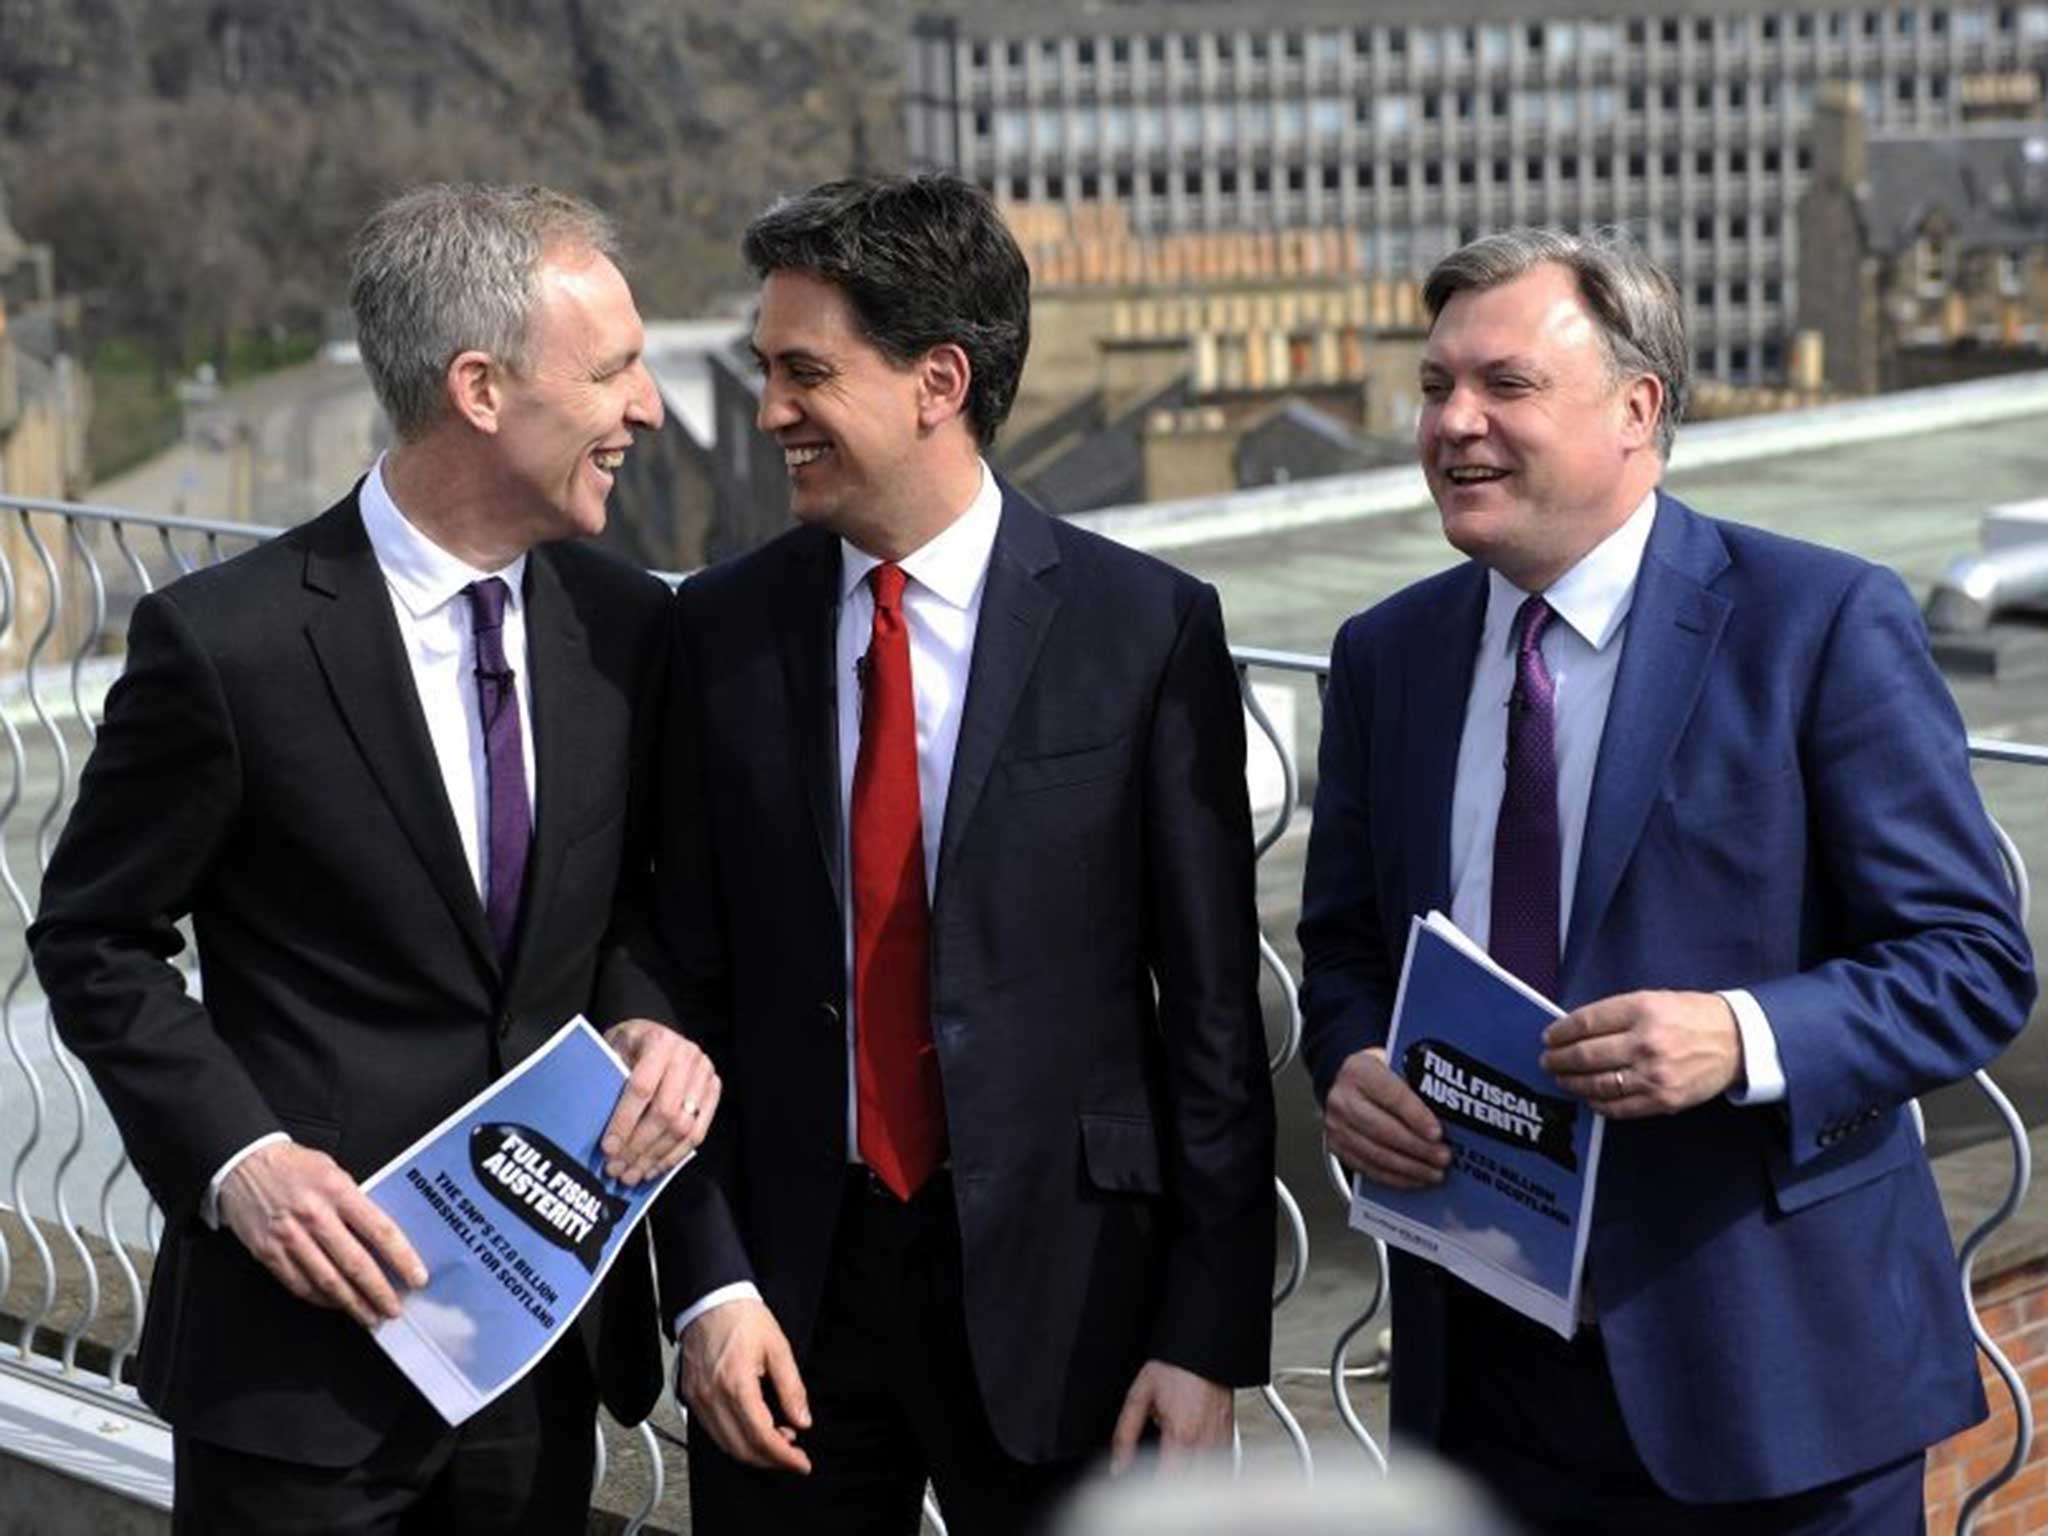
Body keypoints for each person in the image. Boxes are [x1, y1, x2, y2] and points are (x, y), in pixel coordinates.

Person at [1298, 227, 2034, 1532]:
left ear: (1637, 408)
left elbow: (1972, 960)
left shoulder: (1819, 623)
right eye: (1433, 388)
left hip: (1769, 1388)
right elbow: (1349, 944)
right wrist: (1351, 1065)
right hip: (1483, 1387)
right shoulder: (1386, 655)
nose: (1453, 423)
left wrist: (1741, 1036)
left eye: (1504, 385)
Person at [29, 182, 718, 1534]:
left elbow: (634, 913)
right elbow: (94, 942)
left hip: (538, 1351)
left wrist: (655, 1027)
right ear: (478, 389)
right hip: (299, 1376)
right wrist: (240, 1162)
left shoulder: (635, 630)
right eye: (613, 370)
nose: (644, 408)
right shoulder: (226, 645)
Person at [651, 172, 1276, 1534]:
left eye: (807, 373)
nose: (771, 414)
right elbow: (671, 986)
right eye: (767, 372)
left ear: (939, 379)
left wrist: (1208, 1332)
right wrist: (705, 1282)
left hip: (1079, 1309)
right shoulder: (715, 636)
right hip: (785, 1317)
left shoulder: (1144, 632)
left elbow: (1213, 1018)